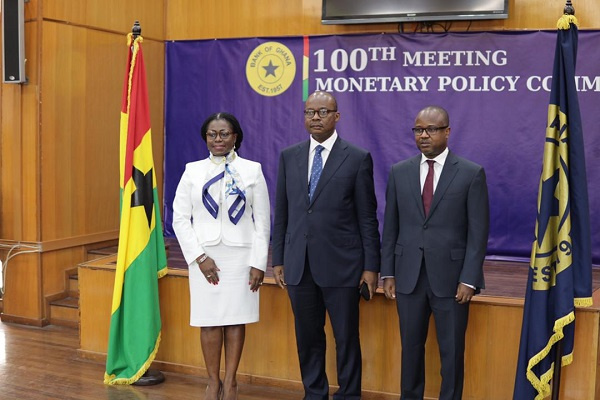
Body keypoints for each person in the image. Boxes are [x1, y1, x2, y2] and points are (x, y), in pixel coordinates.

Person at [272, 91, 381, 400]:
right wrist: (278, 257)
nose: (315, 117)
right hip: (299, 264)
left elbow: (367, 217)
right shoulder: (289, 156)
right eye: (310, 112)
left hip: (342, 265)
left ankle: (349, 394)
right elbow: (283, 212)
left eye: (323, 112)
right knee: (307, 337)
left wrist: (371, 267)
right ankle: (315, 393)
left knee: (346, 338)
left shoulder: (357, 158)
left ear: (337, 116)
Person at [381, 105, 489, 400]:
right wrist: (387, 271)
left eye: (431, 129)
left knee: (451, 352)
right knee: (410, 349)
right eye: (418, 130)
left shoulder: (470, 173)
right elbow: (391, 227)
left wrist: (469, 279)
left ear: (447, 132)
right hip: (408, 277)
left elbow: (478, 234)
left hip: (452, 281)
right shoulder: (399, 172)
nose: (424, 135)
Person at [172, 112, 270, 400]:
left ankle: (231, 382)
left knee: (235, 319)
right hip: (205, 258)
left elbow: (263, 222)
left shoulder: (252, 170)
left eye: (224, 133)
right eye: (212, 134)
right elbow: (180, 218)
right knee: (209, 320)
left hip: (241, 258)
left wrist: (258, 262)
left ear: (235, 136)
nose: (218, 139)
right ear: (205, 138)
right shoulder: (192, 171)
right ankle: (212, 382)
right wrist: (199, 257)